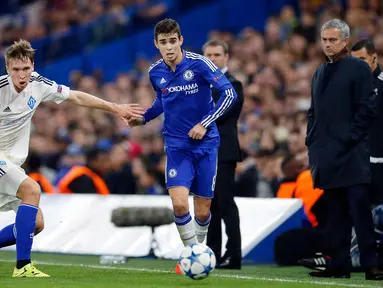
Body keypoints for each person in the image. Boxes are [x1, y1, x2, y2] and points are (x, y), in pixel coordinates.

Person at [0, 39, 143, 277]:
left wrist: (114, 107)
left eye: (26, 68)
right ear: (7, 69)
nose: (22, 75)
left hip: (11, 164)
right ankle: (23, 267)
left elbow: (76, 97)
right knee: (32, 190)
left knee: (35, 224)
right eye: (16, 69)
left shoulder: (39, 84)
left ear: (33, 66)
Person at [128, 18, 237, 264]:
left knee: (203, 211)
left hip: (207, 145)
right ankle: (192, 256)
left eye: (173, 41)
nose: (169, 47)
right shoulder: (155, 72)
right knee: (179, 205)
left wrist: (205, 123)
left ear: (181, 41)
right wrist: (144, 118)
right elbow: (161, 101)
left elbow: (230, 93)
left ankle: (198, 251)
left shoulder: (200, 64)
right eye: (163, 42)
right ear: (156, 44)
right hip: (177, 147)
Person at [306, 19, 383, 280]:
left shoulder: (358, 69)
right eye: (324, 39)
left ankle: (372, 265)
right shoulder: (319, 72)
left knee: (359, 211)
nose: (327, 44)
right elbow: (313, 111)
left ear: (345, 41)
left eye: (332, 40)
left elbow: (367, 109)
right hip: (326, 156)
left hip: (351, 155)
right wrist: (311, 140)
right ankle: (339, 263)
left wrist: (348, 138)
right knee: (335, 214)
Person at [202, 39, 243, 269]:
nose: (213, 58)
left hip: (224, 151)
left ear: (226, 57)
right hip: (205, 152)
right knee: (210, 205)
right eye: (209, 55)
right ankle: (213, 254)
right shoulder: (202, 84)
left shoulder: (234, 85)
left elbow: (221, 112)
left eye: (217, 54)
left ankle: (234, 254)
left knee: (225, 203)